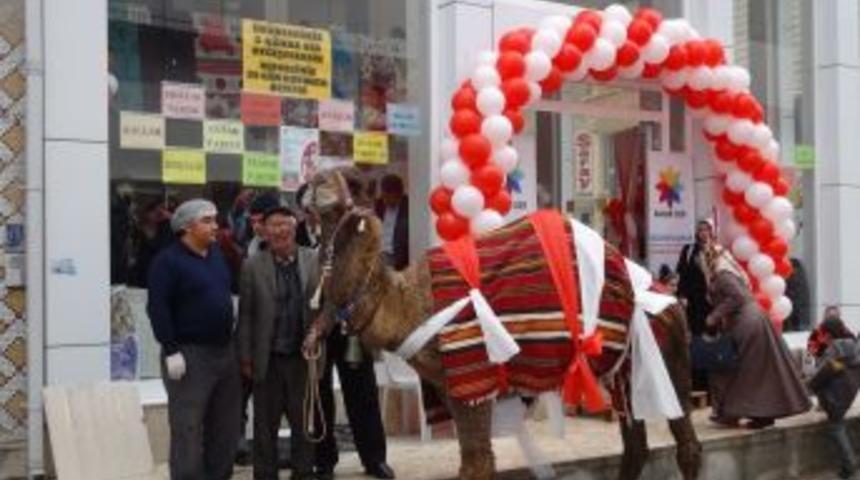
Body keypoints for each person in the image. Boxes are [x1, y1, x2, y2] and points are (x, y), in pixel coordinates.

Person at [146, 199, 241, 480]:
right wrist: (171, 349)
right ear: (187, 227)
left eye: (215, 219)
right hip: (189, 356)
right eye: (208, 221)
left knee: (225, 426)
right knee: (188, 426)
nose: (216, 226)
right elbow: (158, 308)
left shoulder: (216, 255)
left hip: (224, 353)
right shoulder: (167, 261)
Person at [238, 206, 320, 480]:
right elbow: (246, 315)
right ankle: (265, 474)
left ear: (294, 227)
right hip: (268, 358)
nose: (280, 230)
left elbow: (328, 305)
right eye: (273, 225)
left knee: (303, 424)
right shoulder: (252, 265)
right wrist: (246, 358)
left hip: (303, 358)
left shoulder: (313, 260)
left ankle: (303, 472)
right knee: (264, 427)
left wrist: (318, 331)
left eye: (285, 224)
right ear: (263, 230)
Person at [703, 245, 811, 429]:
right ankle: (751, 414)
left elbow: (736, 298)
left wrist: (714, 316)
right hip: (754, 321)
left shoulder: (722, 275)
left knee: (739, 370)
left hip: (746, 324)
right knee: (759, 371)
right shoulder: (730, 271)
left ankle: (734, 413)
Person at [808, 316, 860, 479]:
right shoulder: (852, 344)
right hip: (848, 392)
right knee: (839, 425)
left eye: (825, 333)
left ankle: (849, 465)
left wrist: (808, 386)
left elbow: (825, 372)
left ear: (831, 332)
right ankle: (850, 464)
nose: (823, 336)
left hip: (834, 395)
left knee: (836, 428)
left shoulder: (836, 348)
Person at [374, 174, 409, 271]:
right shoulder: (378, 205)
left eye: (389, 197)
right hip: (379, 254)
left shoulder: (409, 207)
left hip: (398, 258)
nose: (385, 201)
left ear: (399, 194)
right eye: (383, 196)